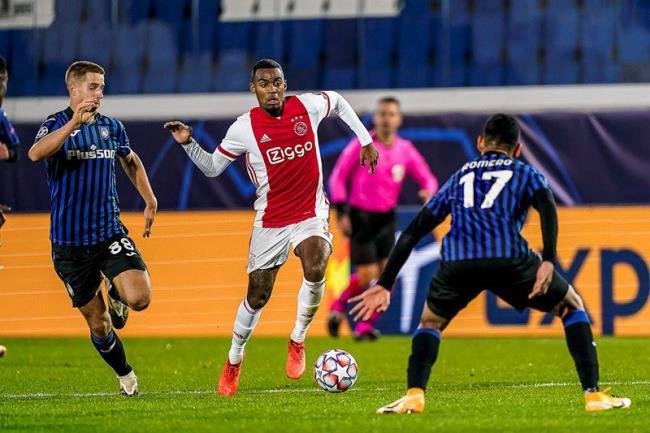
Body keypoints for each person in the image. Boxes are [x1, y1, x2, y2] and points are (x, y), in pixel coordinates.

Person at [350, 114, 631, 413]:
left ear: (480, 143)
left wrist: (385, 283)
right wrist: (548, 259)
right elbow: (547, 206)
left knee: (430, 323)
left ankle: (414, 395)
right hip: (509, 259)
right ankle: (593, 396)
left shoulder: (459, 177)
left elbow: (413, 232)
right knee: (571, 306)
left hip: (458, 262)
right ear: (518, 149)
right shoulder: (525, 173)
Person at [164, 58, 378, 396]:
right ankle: (234, 359)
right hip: (271, 220)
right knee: (258, 294)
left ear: (284, 84)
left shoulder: (306, 107)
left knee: (316, 263)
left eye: (277, 82)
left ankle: (298, 339)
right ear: (254, 89)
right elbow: (213, 168)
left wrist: (365, 140)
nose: (272, 89)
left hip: (310, 212)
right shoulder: (244, 128)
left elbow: (337, 100)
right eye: (264, 84)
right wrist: (188, 143)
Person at [28, 61, 157, 396]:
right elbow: (35, 154)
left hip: (108, 232)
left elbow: (130, 159)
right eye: (93, 87)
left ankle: (116, 292)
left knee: (140, 298)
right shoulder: (55, 123)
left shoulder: (111, 127)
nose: (99, 93)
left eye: (102, 87)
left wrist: (149, 198)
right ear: (74, 90)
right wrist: (74, 123)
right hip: (69, 245)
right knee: (99, 324)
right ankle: (125, 374)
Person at [327, 96, 438, 340]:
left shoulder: (405, 150)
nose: (386, 119)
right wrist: (342, 211)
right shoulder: (361, 145)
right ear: (375, 118)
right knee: (367, 276)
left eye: (391, 114)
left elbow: (427, 177)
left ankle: (365, 326)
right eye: (382, 114)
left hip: (387, 219)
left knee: (388, 276)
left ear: (399, 120)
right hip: (361, 217)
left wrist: (429, 192)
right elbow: (337, 177)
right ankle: (337, 306)